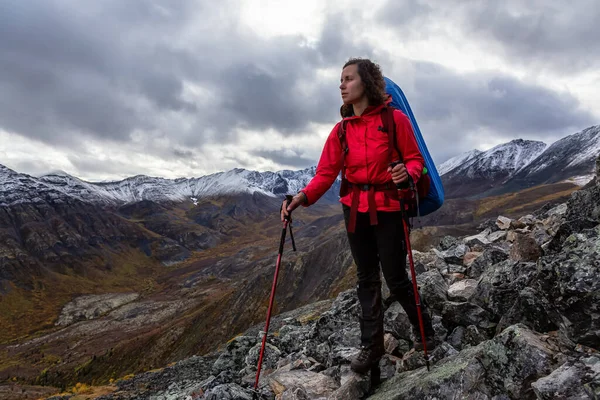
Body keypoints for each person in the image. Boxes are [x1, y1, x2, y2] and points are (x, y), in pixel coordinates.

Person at [280, 58, 436, 374]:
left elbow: (415, 159)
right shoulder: (341, 131)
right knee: (366, 277)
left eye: (348, 78)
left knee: (395, 277)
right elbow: (325, 173)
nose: (341, 85)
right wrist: (301, 198)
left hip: (390, 209)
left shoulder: (395, 120)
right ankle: (371, 347)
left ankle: (425, 331)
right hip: (354, 211)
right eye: (341, 79)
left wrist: (407, 172)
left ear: (365, 82)